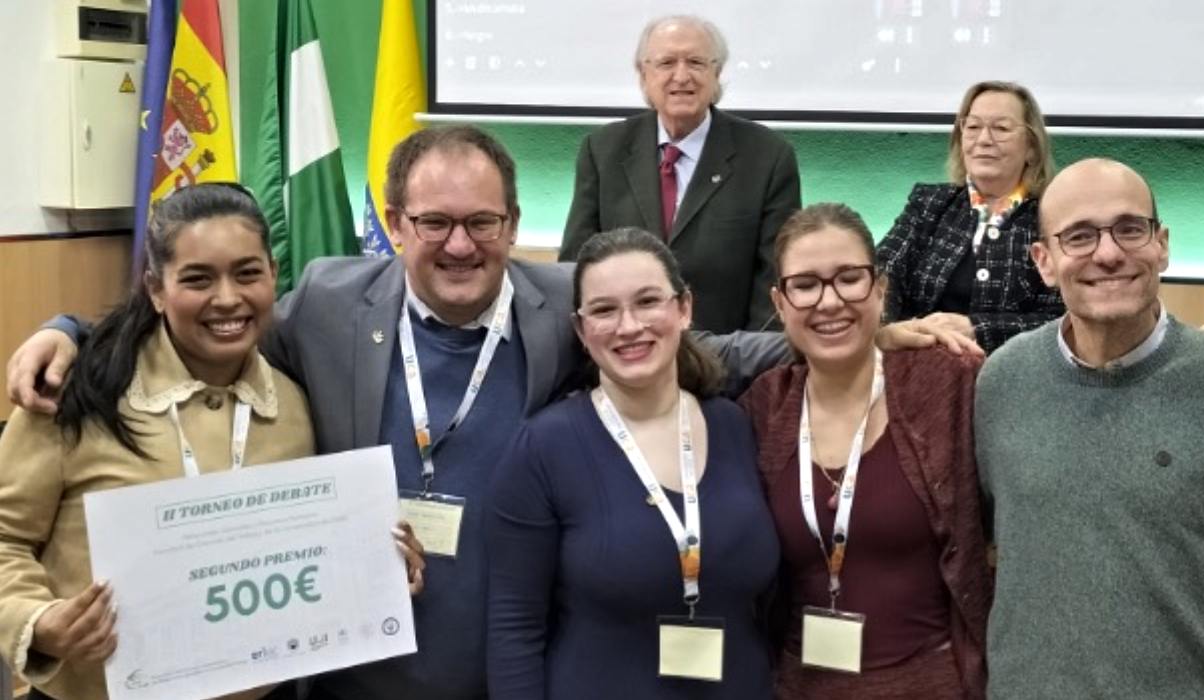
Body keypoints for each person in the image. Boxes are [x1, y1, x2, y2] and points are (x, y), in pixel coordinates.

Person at [5, 126, 960, 700]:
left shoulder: (569, 307)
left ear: (513, 225)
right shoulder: (331, 304)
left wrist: (865, 333)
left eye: (483, 223)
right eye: (434, 224)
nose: (460, 245)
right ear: (392, 223)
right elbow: (212, 314)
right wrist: (72, 329)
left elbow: (696, 345)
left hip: (508, 666)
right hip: (349, 679)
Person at [976, 159, 1204, 698]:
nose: (1109, 252)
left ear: (1162, 244)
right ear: (1044, 262)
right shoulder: (1002, 381)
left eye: (1130, 228)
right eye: (1079, 236)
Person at [0, 184, 319, 700]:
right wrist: (37, 620)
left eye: (247, 273)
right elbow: (5, 537)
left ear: (274, 275)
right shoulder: (73, 392)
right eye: (197, 279)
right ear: (155, 288)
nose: (228, 298)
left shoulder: (294, 402)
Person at [487, 228, 778, 698]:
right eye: (604, 310)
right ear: (581, 330)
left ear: (683, 309)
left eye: (647, 302)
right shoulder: (544, 448)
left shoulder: (735, 425)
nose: (628, 326)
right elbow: (513, 627)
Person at [740, 204, 990, 698]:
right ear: (780, 300)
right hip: (797, 686)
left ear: (880, 287)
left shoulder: (946, 383)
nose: (829, 301)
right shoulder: (762, 407)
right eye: (806, 284)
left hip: (931, 685)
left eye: (849, 279)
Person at [560, 14, 801, 334]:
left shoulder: (768, 156)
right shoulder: (602, 150)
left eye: (696, 62)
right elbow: (576, 267)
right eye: (666, 62)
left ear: (716, 73)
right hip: (623, 347)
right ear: (643, 74)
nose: (682, 76)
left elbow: (775, 279)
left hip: (728, 360)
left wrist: (750, 365)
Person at [877, 81, 1064, 354]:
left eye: (1001, 128)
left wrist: (977, 328)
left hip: (1012, 373)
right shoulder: (929, 203)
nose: (984, 140)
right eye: (973, 127)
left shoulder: (1053, 215)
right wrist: (888, 329)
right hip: (920, 365)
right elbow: (880, 274)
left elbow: (1063, 318)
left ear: (1032, 148)